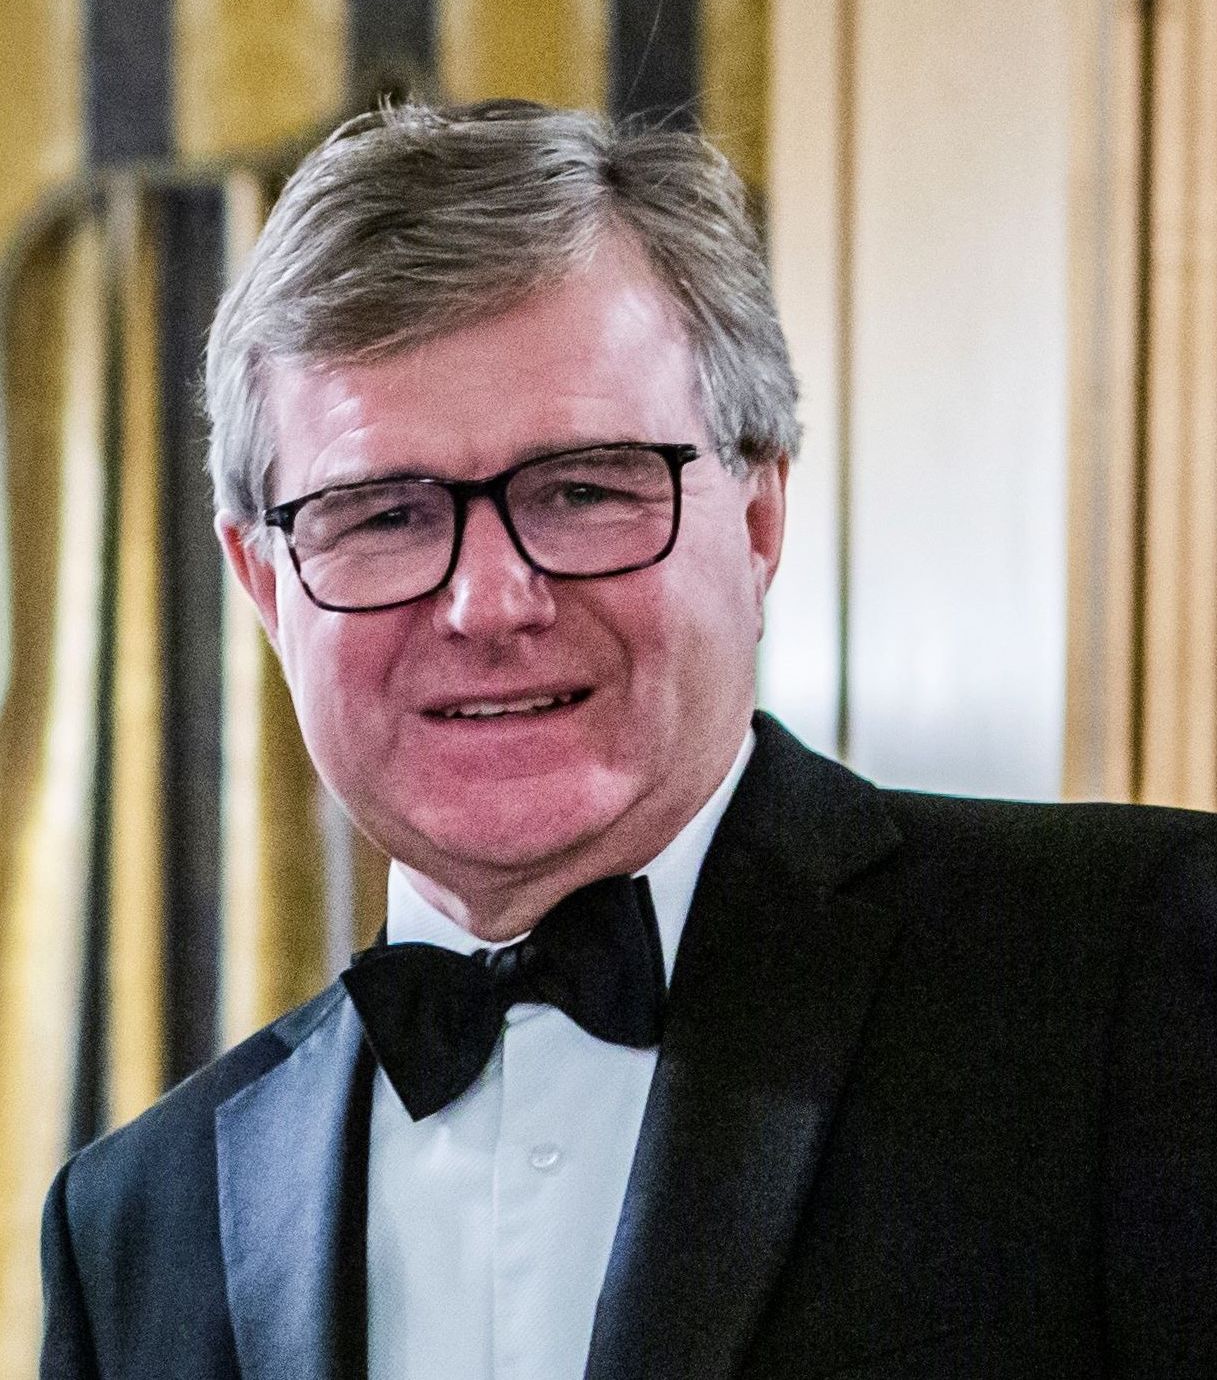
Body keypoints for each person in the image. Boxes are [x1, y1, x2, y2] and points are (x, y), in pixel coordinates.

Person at [41, 98, 1215, 1380]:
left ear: (758, 516)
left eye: (584, 489)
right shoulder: (129, 1229)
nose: (487, 604)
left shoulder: (1138, 971)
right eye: (379, 515)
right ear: (265, 587)